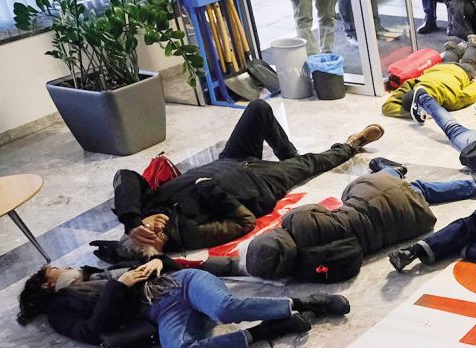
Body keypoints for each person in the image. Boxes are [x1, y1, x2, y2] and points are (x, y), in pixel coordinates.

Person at [111, 101, 380, 254]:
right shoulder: (189, 234)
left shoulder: (145, 205)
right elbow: (244, 222)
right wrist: (212, 193)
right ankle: (351, 144)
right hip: (260, 182)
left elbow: (125, 176)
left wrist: (131, 219)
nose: (157, 228)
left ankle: (289, 156)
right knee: (311, 163)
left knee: (258, 108)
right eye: (158, 237)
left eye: (147, 230)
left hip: (231, 159)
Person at [17, 258, 347, 348]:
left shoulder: (94, 272)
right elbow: (93, 331)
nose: (66, 267)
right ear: (47, 285)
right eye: (55, 269)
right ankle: (271, 329)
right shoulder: (60, 312)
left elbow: (161, 262)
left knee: (225, 308)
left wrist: (157, 261)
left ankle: (307, 302)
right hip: (161, 312)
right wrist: (120, 286)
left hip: (182, 283)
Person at [237, 171, 436, 281]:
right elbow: (319, 209)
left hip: (408, 220)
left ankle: (460, 186)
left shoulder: (308, 268)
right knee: (371, 186)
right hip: (373, 193)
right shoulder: (295, 218)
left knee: (419, 192)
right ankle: (392, 171)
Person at [381, 37, 476, 119]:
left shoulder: (450, 100)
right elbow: (400, 93)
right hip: (438, 69)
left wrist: (472, 82)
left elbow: (472, 92)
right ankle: (452, 49)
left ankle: (474, 46)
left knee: (468, 61)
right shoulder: (416, 83)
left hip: (461, 71)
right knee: (448, 61)